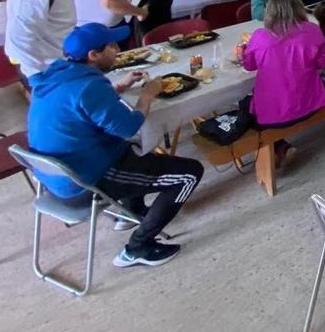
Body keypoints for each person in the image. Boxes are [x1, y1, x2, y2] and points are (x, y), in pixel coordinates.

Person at [27, 22, 204, 268]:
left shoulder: (58, 75)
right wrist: (148, 95)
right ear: (93, 55)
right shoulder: (89, 86)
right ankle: (137, 248)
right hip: (83, 181)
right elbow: (129, 126)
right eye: (112, 46)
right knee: (189, 174)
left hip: (53, 174)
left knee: (137, 148)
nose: (118, 50)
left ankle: (131, 212)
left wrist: (118, 87)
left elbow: (81, 106)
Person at [242, 0, 325, 166]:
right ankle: (281, 146)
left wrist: (245, 50)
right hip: (311, 104)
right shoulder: (313, 30)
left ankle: (279, 146)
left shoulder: (260, 36)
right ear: (299, 7)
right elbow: (323, 63)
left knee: (245, 106)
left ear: (270, 10)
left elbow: (249, 65)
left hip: (274, 115)